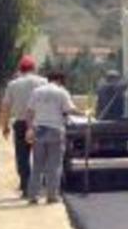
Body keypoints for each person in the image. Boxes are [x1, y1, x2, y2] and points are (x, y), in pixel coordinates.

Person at [25, 72, 84, 204]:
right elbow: (70, 110)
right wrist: (85, 113)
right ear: (60, 81)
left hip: (39, 130)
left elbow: (29, 112)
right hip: (55, 131)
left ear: (48, 79)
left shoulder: (36, 91)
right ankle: (51, 196)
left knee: (37, 165)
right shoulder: (61, 92)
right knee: (54, 165)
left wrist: (29, 129)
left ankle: (33, 196)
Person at [0, 55, 47, 198]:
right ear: (34, 68)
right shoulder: (43, 82)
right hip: (40, 122)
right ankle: (40, 186)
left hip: (20, 123)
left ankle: (26, 186)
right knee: (40, 155)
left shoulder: (13, 85)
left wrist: (5, 126)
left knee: (22, 156)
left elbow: (6, 107)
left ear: (20, 69)